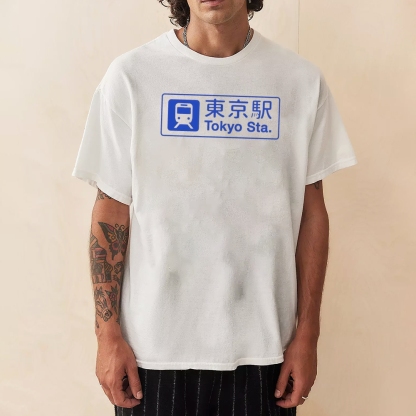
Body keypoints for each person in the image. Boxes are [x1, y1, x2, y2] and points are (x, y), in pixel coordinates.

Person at [71, 0, 358, 414]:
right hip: (152, 354)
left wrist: (308, 334)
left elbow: (312, 213)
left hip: (265, 352)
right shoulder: (132, 76)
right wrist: (107, 335)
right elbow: (111, 208)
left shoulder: (299, 81)